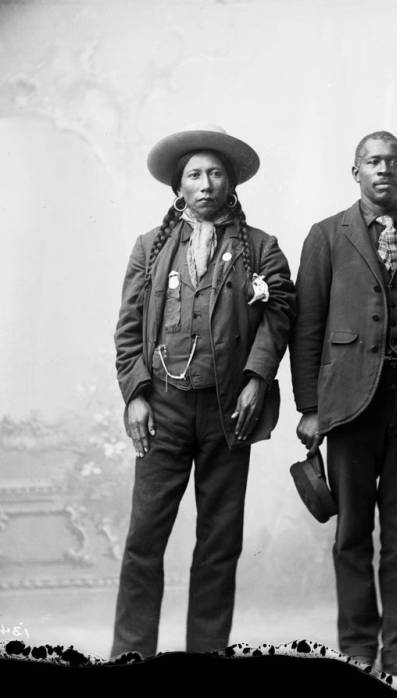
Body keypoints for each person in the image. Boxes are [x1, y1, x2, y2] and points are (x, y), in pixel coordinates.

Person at [111, 124, 295, 659]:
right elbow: (127, 330)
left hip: (226, 412)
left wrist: (257, 379)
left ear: (231, 184)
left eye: (216, 173)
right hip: (163, 408)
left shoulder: (261, 248)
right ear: (179, 187)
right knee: (145, 540)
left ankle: (205, 657)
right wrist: (136, 394)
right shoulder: (150, 248)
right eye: (195, 174)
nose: (206, 183)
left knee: (218, 544)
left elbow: (279, 314)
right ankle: (130, 655)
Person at [290, 131, 397, 690]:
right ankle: (359, 650)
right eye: (373, 161)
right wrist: (310, 408)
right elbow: (306, 327)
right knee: (352, 534)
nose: (383, 170)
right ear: (356, 171)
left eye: (393, 162)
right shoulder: (326, 236)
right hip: (348, 404)